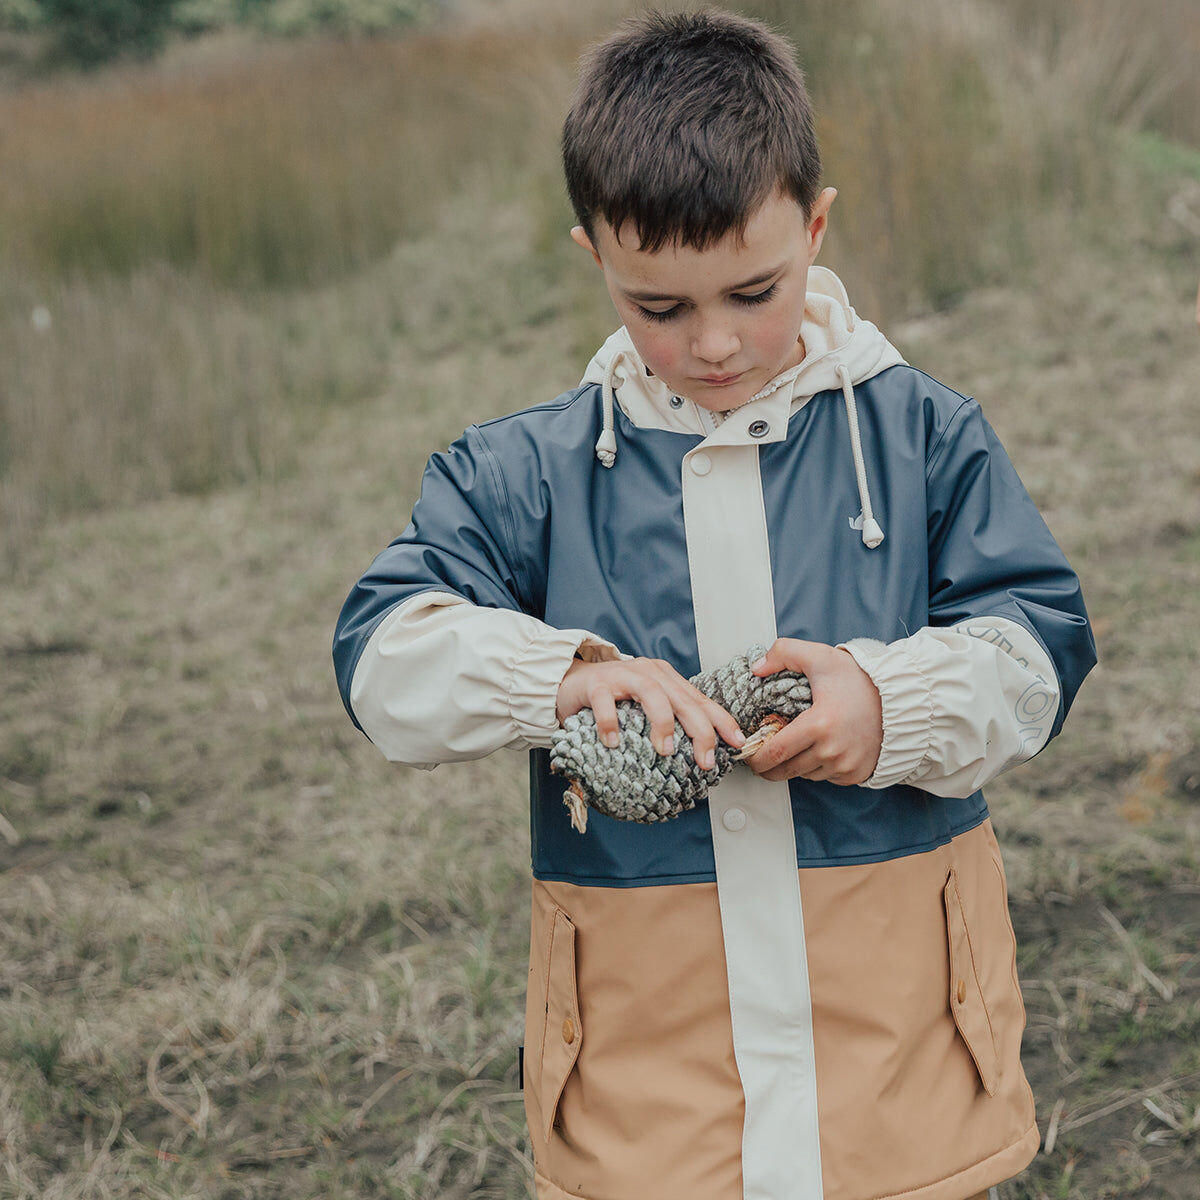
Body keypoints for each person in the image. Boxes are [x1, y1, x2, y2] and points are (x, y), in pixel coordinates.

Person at [333, 10, 1095, 1200]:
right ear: (595, 259)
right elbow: (384, 658)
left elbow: (1038, 652)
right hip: (650, 1091)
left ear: (816, 228)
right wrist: (559, 678)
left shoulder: (924, 437)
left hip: (900, 1073)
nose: (718, 344)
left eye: (754, 290)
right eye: (662, 308)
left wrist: (887, 702)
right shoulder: (522, 474)